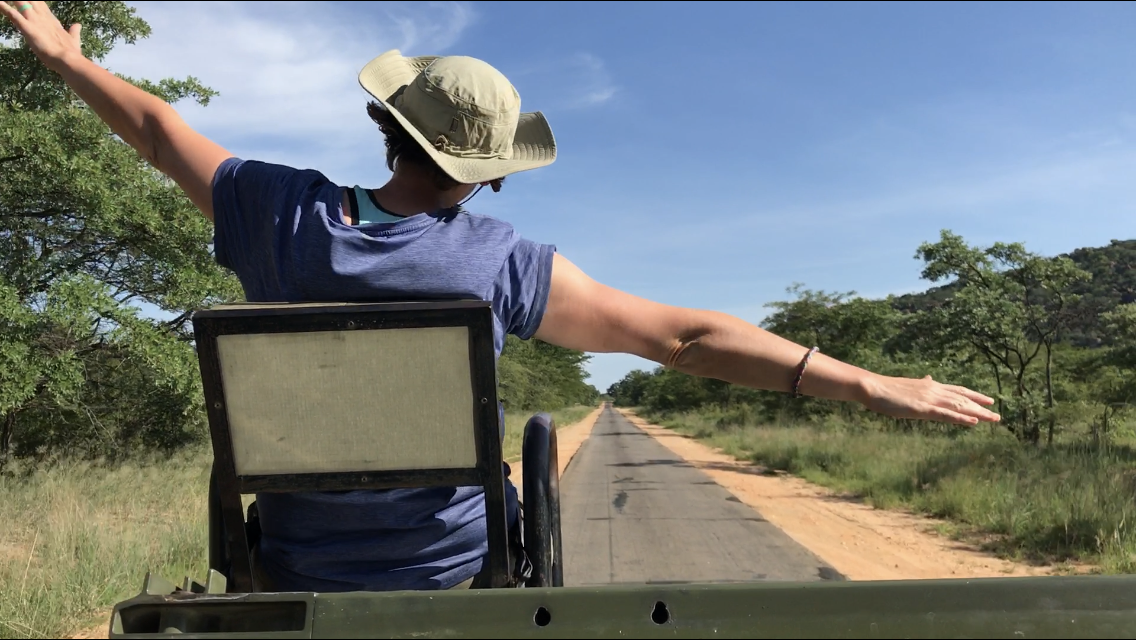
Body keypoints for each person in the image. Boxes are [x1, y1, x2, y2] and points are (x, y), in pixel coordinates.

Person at [3, 1, 1001, 592]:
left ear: (387, 126)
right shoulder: (497, 263)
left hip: (298, 563)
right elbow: (683, 338)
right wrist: (868, 383)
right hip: (453, 566)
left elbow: (155, 131)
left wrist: (68, 58)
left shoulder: (282, 215)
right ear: (486, 172)